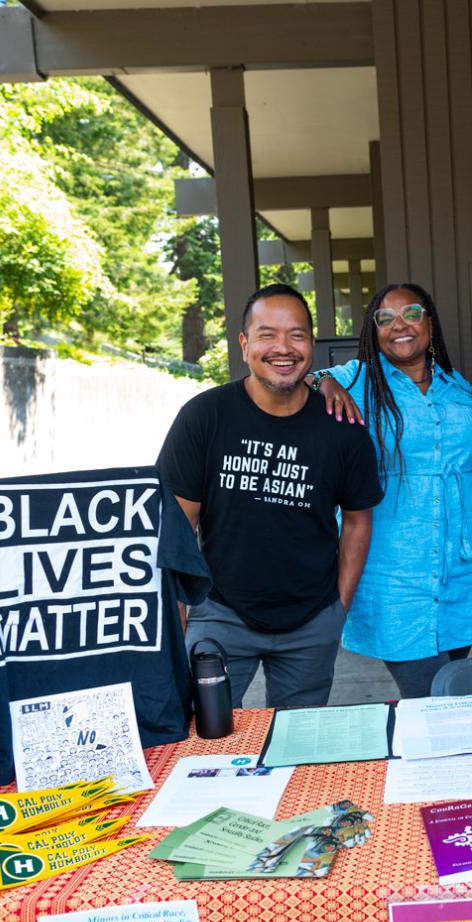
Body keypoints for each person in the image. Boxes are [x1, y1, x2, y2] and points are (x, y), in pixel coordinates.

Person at [157, 283, 383, 708]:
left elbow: (357, 520)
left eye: (296, 335)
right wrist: (179, 617)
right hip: (220, 613)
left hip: (312, 619)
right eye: (267, 334)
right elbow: (178, 524)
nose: (283, 347)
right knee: (205, 738)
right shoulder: (204, 417)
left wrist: (338, 607)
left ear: (311, 345)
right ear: (244, 344)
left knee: (301, 747)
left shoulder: (343, 428)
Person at [313, 283, 472, 697]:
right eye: (385, 318)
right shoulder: (356, 378)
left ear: (429, 322)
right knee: (428, 696)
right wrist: (324, 382)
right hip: (394, 569)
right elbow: (297, 378)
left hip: (461, 565)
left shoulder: (459, 388)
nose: (400, 325)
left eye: (411, 314)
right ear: (373, 330)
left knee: (449, 687)